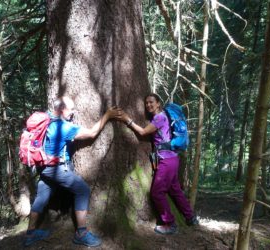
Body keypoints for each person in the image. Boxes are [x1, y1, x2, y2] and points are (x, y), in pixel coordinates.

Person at [24, 96, 121, 247]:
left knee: (41, 198)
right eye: (71, 109)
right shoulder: (64, 127)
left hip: (43, 166)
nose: (74, 112)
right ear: (62, 110)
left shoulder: (47, 119)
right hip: (56, 168)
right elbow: (91, 133)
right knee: (82, 190)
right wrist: (107, 115)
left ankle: (30, 234)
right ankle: (81, 233)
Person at [117, 93, 198, 235]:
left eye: (151, 102)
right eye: (146, 102)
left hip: (166, 161)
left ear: (158, 103)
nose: (148, 105)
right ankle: (190, 217)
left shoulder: (160, 118)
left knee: (156, 192)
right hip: (172, 159)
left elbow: (142, 132)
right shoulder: (162, 117)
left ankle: (170, 223)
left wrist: (126, 119)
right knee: (175, 190)